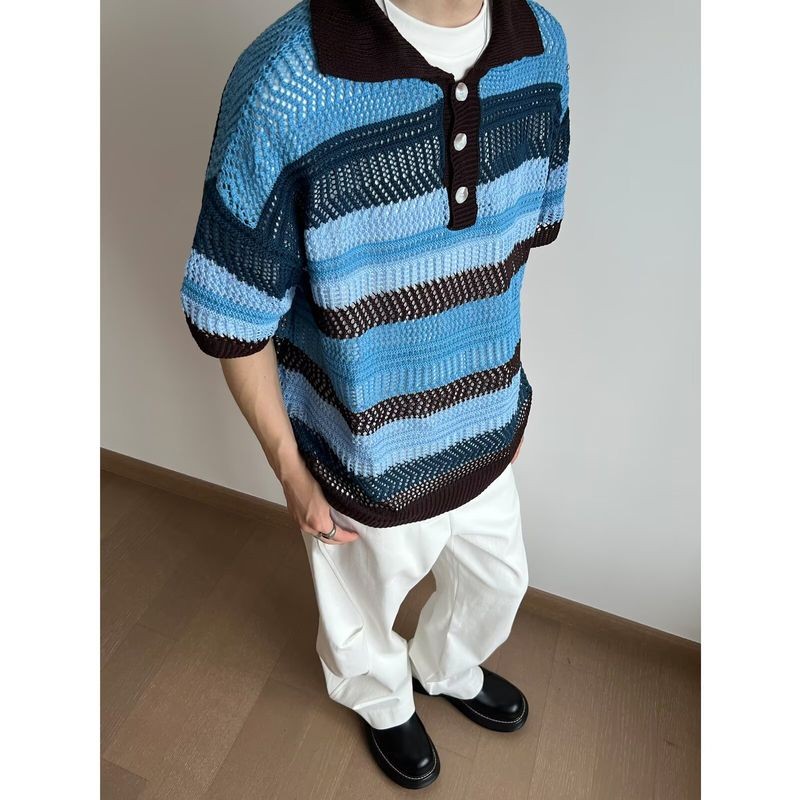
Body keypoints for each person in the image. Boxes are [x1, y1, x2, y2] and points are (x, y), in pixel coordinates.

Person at [179, 0, 570, 789]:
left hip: (485, 423)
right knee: (357, 611)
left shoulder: (541, 44)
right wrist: (291, 470)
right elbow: (231, 311)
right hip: (356, 446)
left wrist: (505, 385)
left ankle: (444, 667)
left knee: (499, 581)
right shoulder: (288, 80)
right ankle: (382, 700)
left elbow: (514, 243)